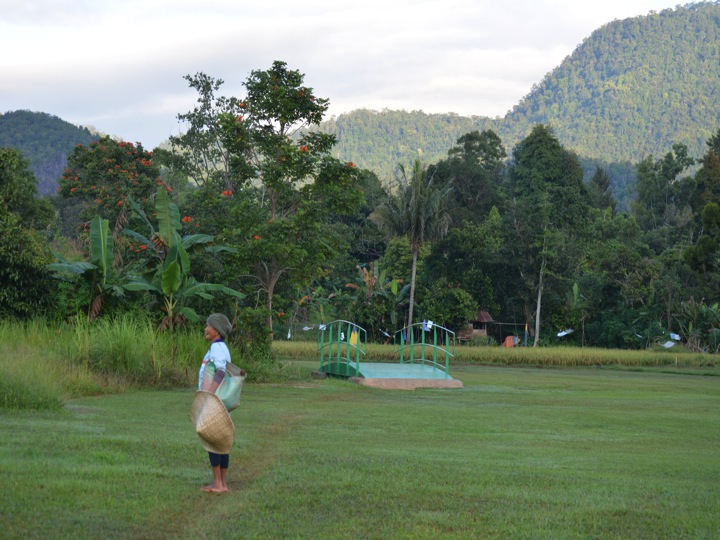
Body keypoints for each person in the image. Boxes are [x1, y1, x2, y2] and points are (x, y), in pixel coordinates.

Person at [198, 313, 233, 493]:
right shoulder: (219, 347)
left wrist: (209, 395)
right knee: (221, 441)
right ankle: (221, 483)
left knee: (213, 439)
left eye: (208, 326)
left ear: (216, 331)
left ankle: (218, 484)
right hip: (220, 402)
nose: (206, 329)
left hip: (215, 402)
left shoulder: (217, 348)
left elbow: (219, 372)